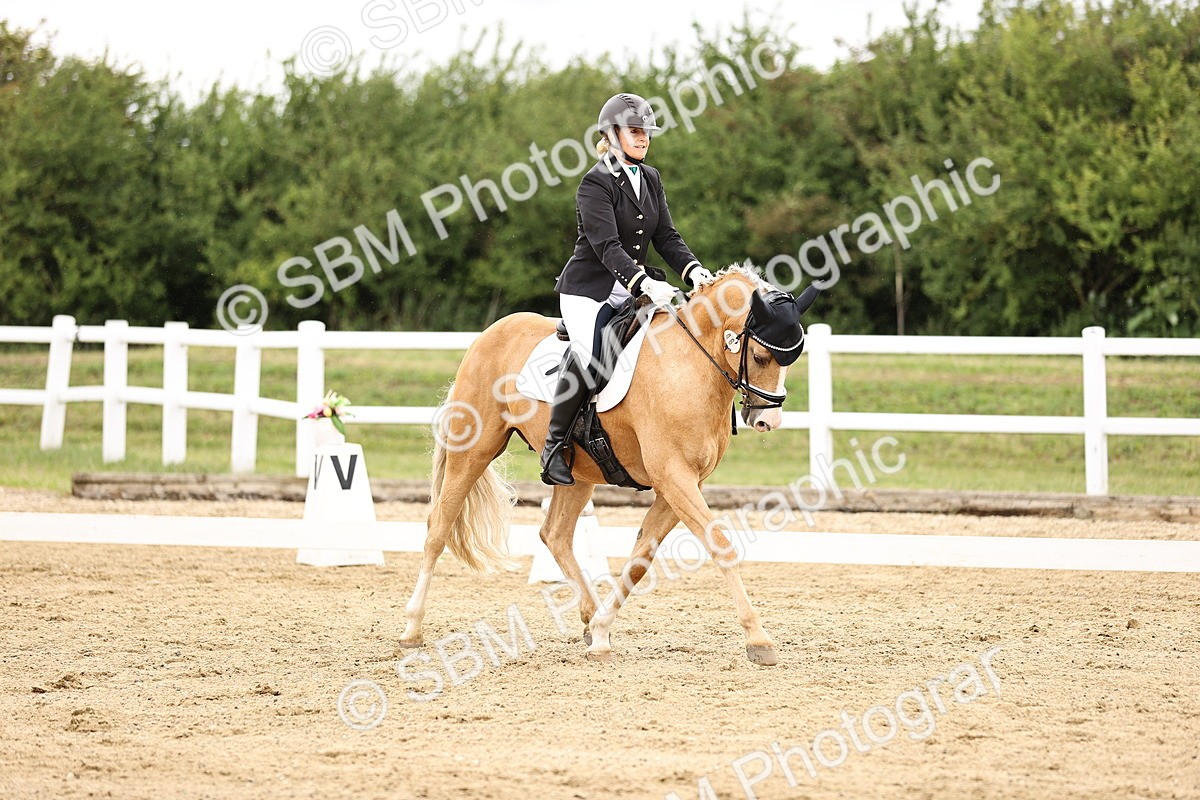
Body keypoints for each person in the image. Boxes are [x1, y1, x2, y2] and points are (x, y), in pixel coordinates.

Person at [540, 92, 714, 486]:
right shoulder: (594, 183)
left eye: (646, 132)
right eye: (635, 131)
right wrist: (644, 282)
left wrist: (694, 271)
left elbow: (666, 235)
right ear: (611, 134)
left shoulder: (650, 178)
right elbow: (606, 247)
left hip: (632, 286)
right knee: (595, 356)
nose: (643, 138)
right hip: (589, 290)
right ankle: (555, 445)